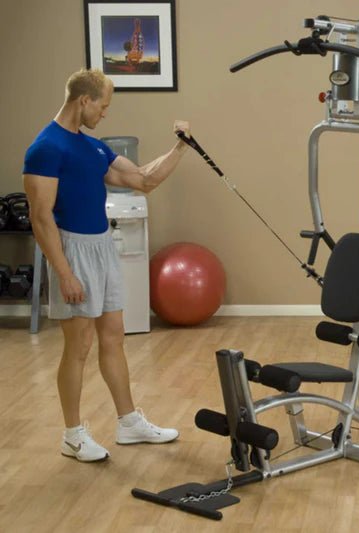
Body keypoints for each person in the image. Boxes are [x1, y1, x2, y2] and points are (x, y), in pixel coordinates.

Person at [22, 68, 190, 462]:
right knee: (78, 346)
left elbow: (144, 179)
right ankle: (73, 434)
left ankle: (128, 421)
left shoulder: (92, 148)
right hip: (73, 250)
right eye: (104, 106)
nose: (105, 114)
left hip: (101, 246)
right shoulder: (45, 148)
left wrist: (181, 146)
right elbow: (41, 217)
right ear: (84, 100)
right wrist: (64, 273)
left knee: (113, 336)